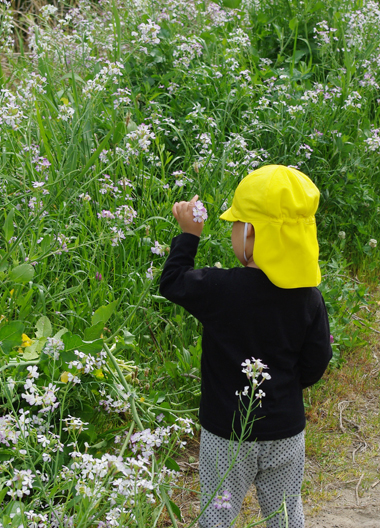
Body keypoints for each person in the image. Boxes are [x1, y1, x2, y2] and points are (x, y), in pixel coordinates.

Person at [159, 165, 332, 527]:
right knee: (285, 512)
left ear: (250, 233)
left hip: (226, 436)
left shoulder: (220, 288)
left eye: (236, 225)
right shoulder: (308, 298)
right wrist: (284, 389)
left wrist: (189, 235)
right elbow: (318, 359)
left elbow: (173, 282)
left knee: (218, 514)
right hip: (286, 431)